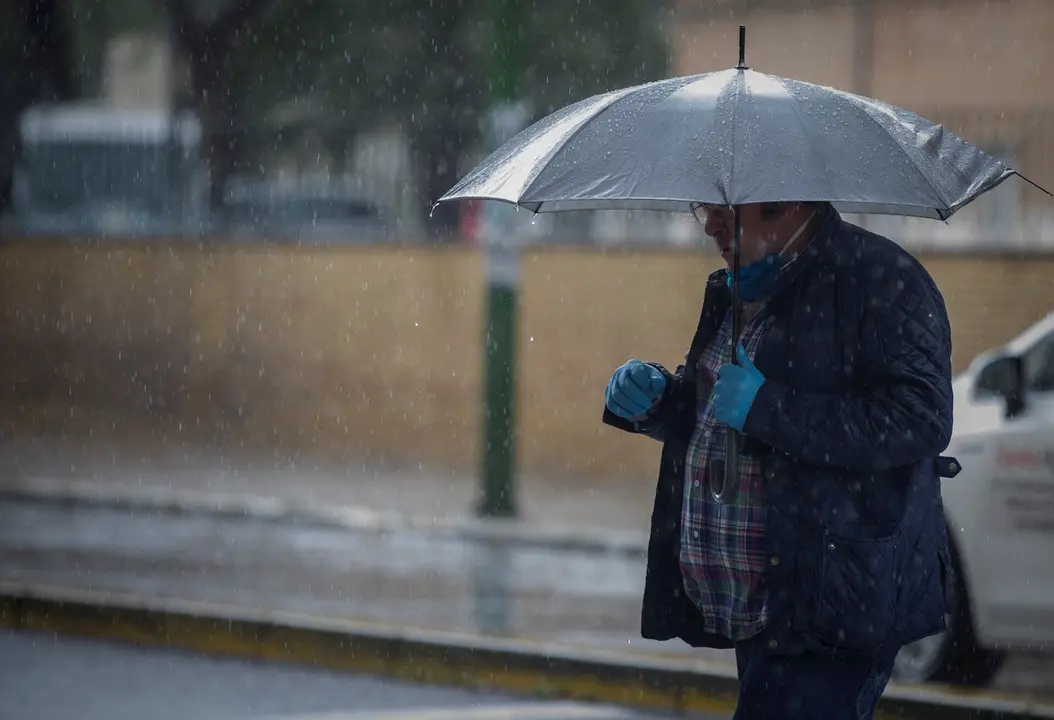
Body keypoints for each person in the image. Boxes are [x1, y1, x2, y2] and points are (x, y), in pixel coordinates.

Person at [602, 200, 961, 719]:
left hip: (831, 606)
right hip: (763, 606)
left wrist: (767, 407)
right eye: (703, 209)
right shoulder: (746, 284)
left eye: (725, 209)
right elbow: (721, 412)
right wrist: (659, 401)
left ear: (786, 201)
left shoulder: (882, 280)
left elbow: (921, 418)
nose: (710, 226)